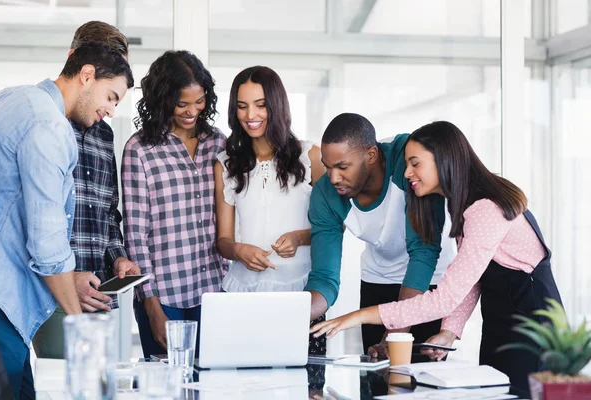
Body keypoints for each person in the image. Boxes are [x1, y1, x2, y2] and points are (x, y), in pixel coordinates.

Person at [310, 121, 563, 395]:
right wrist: (449, 332)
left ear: (443, 160)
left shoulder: (485, 210)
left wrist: (357, 317)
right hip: (501, 324)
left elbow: (445, 298)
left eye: (415, 163)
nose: (407, 173)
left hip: (533, 327)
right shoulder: (466, 205)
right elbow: (473, 280)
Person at [0, 42, 133, 398]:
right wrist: (80, 325)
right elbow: (47, 242)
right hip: (0, 305)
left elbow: (12, 212)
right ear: (87, 75)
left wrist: (70, 275)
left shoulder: (10, 99)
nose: (111, 110)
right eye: (111, 96)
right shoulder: (49, 127)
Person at [304, 113, 455, 357]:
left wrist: (395, 332)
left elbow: (424, 251)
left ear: (371, 155)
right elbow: (324, 277)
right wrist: (293, 315)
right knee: (375, 377)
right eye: (328, 166)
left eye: (343, 167)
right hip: (378, 279)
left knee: (422, 383)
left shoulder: (407, 165)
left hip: (427, 280)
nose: (333, 178)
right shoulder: (325, 194)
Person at [32, 20, 140, 361]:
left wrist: (117, 256)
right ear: (84, 68)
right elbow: (38, 223)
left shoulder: (105, 134)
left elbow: (108, 213)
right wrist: (69, 279)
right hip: (54, 293)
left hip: (100, 293)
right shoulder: (44, 123)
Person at [214, 66, 326, 354]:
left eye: (260, 105)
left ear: (276, 105)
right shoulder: (225, 164)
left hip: (302, 297)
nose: (251, 115)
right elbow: (224, 241)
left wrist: (300, 237)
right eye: (242, 106)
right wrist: (239, 250)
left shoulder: (310, 155)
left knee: (305, 387)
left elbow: (333, 228)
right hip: (242, 295)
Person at [122, 50, 226, 358]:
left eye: (199, 100)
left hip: (214, 292)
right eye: (182, 103)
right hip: (163, 295)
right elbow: (136, 235)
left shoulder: (218, 142)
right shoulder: (139, 149)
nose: (192, 111)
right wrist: (151, 305)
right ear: (163, 98)